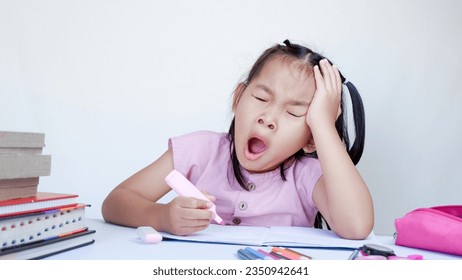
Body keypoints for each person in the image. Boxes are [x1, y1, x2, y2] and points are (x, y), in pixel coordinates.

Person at [102, 40, 374, 239]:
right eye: (261, 98)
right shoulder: (200, 151)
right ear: (238, 98)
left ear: (312, 138)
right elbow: (115, 202)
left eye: (294, 112)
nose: (268, 118)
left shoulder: (308, 177)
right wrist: (161, 217)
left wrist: (324, 126)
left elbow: (357, 225)